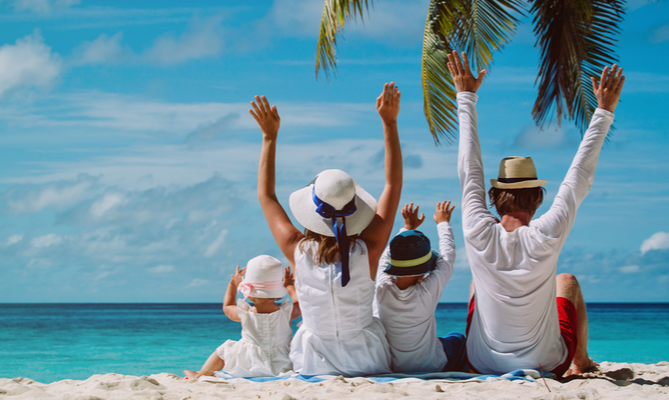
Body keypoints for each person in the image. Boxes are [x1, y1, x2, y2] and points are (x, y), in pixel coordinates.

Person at [448, 50, 625, 377]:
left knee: (478, 282)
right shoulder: (546, 233)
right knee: (566, 281)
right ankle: (582, 361)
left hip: (480, 363)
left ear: (492, 196)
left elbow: (468, 168)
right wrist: (603, 112)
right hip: (546, 363)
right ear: (539, 197)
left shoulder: (476, 228)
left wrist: (466, 97)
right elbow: (578, 179)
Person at [248, 82, 403, 376]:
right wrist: (389, 123)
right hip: (366, 358)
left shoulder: (297, 248)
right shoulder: (367, 249)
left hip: (313, 360)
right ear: (355, 208)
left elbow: (266, 196)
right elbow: (393, 185)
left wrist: (269, 138)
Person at [373, 201, 468, 373]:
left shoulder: (382, 288)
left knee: (442, 340)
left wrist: (407, 228)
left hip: (393, 366)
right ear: (424, 272)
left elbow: (385, 258)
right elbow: (447, 258)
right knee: (457, 338)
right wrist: (443, 223)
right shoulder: (426, 292)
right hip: (432, 365)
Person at [183, 255, 301, 379]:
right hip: (283, 362)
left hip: (248, 362)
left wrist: (232, 285)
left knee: (225, 349)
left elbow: (228, 307)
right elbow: (300, 304)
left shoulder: (245, 312)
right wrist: (289, 286)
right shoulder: (287, 311)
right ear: (277, 292)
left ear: (249, 293)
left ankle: (202, 374)